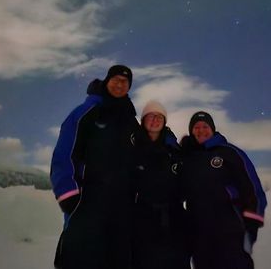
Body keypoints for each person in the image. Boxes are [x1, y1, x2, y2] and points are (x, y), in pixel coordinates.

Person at [50, 65, 140, 269]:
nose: (119, 84)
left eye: (125, 81)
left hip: (121, 208)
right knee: (81, 258)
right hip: (87, 203)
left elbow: (144, 156)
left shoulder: (131, 123)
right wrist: (69, 195)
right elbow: (64, 154)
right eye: (115, 79)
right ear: (107, 81)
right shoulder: (85, 113)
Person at [180, 111, 267, 269]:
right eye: (196, 127)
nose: (201, 130)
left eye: (205, 126)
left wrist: (252, 224)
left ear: (213, 129)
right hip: (200, 233)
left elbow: (252, 187)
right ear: (191, 131)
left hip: (230, 230)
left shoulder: (229, 152)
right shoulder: (187, 159)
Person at [132, 100, 190, 269]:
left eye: (159, 117)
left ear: (164, 121)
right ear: (143, 120)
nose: (155, 119)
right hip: (142, 221)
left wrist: (192, 152)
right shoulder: (132, 148)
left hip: (174, 221)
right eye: (150, 116)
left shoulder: (175, 151)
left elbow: (189, 181)